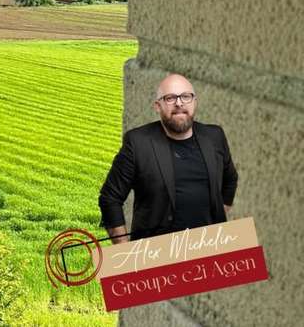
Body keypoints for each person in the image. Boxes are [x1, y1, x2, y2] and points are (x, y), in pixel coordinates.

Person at [98, 73, 238, 243]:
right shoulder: (137, 143)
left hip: (209, 248)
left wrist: (218, 215)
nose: (179, 103)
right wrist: (124, 251)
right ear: (158, 106)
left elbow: (230, 178)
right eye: (170, 98)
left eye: (186, 97)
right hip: (157, 255)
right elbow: (110, 197)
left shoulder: (214, 136)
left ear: (195, 102)